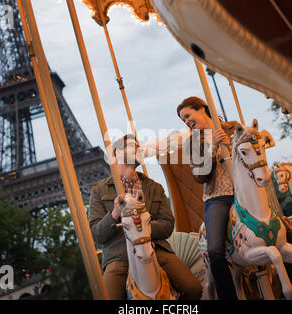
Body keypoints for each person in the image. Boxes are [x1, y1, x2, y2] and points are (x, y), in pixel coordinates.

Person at [88, 134, 202, 300]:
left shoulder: (154, 187)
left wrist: (142, 227)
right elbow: (97, 234)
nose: (138, 149)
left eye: (138, 146)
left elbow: (168, 224)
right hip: (119, 256)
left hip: (155, 248)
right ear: (118, 154)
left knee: (193, 289)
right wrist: (114, 214)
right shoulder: (99, 191)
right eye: (132, 146)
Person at [177, 96, 238, 300]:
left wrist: (231, 144)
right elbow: (199, 176)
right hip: (218, 196)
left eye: (187, 115)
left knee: (286, 235)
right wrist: (212, 148)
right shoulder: (193, 142)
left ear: (202, 109)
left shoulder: (231, 127)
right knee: (214, 251)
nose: (186, 121)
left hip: (242, 190)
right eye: (183, 120)